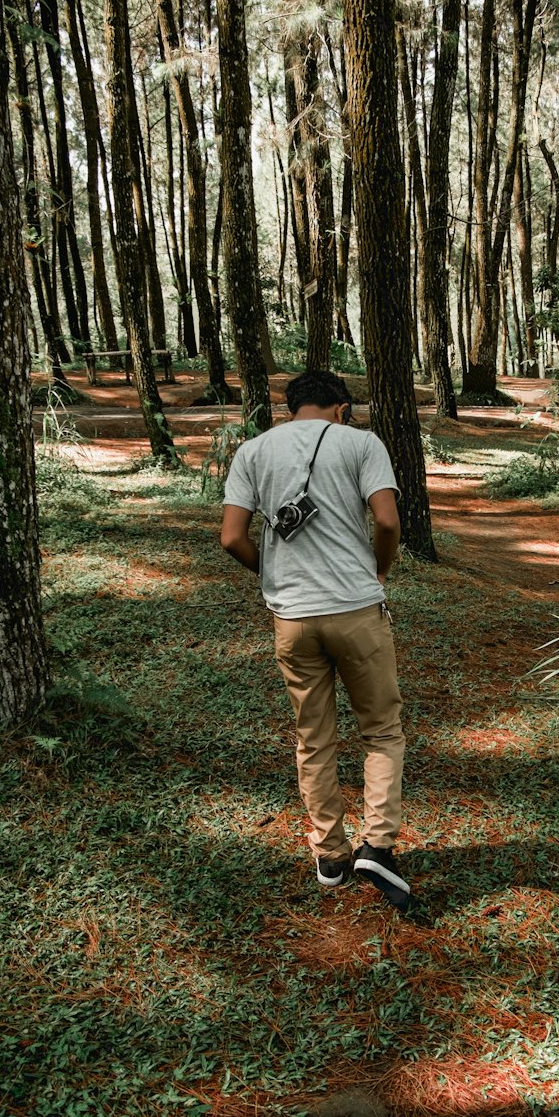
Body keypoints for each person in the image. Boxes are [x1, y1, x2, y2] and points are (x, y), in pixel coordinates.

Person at [220, 369, 410, 911]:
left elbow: (231, 537)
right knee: (381, 730)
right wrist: (378, 571)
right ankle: (377, 843)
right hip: (356, 610)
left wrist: (270, 576)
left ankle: (330, 853)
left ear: (290, 409)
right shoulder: (361, 444)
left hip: (292, 619)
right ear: (341, 409)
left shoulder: (254, 451)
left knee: (314, 737)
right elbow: (388, 522)